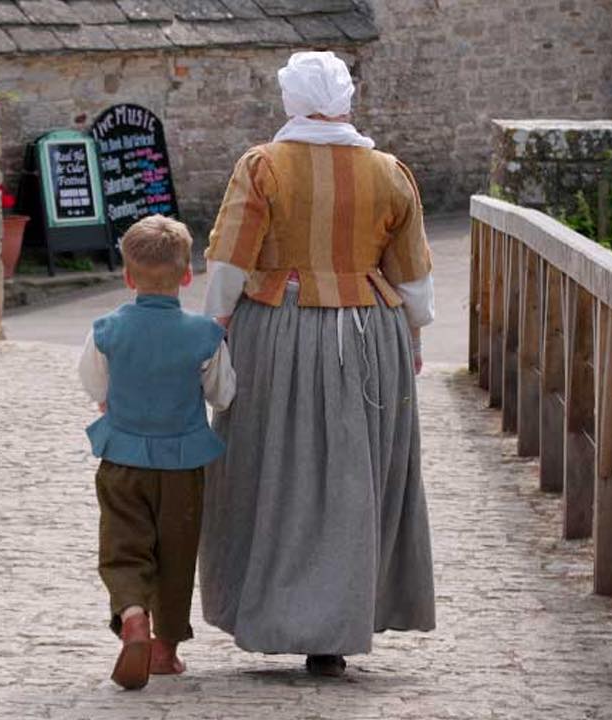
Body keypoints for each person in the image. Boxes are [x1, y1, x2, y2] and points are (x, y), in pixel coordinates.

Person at [198, 51, 437, 678]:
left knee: (275, 465)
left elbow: (227, 263)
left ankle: (276, 610)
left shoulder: (263, 167)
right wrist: (412, 335)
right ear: (346, 100)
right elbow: (412, 278)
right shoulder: (389, 173)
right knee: (355, 475)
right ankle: (333, 630)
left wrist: (217, 323)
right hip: (372, 334)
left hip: (280, 328)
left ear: (290, 100)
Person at [77, 214, 236, 690]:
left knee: (123, 547)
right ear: (187, 275)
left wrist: (113, 399)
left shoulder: (105, 330)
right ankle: (165, 651)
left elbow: (94, 383)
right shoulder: (205, 335)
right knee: (176, 554)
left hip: (122, 460)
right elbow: (222, 394)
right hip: (183, 466)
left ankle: (131, 617)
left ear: (127, 277)